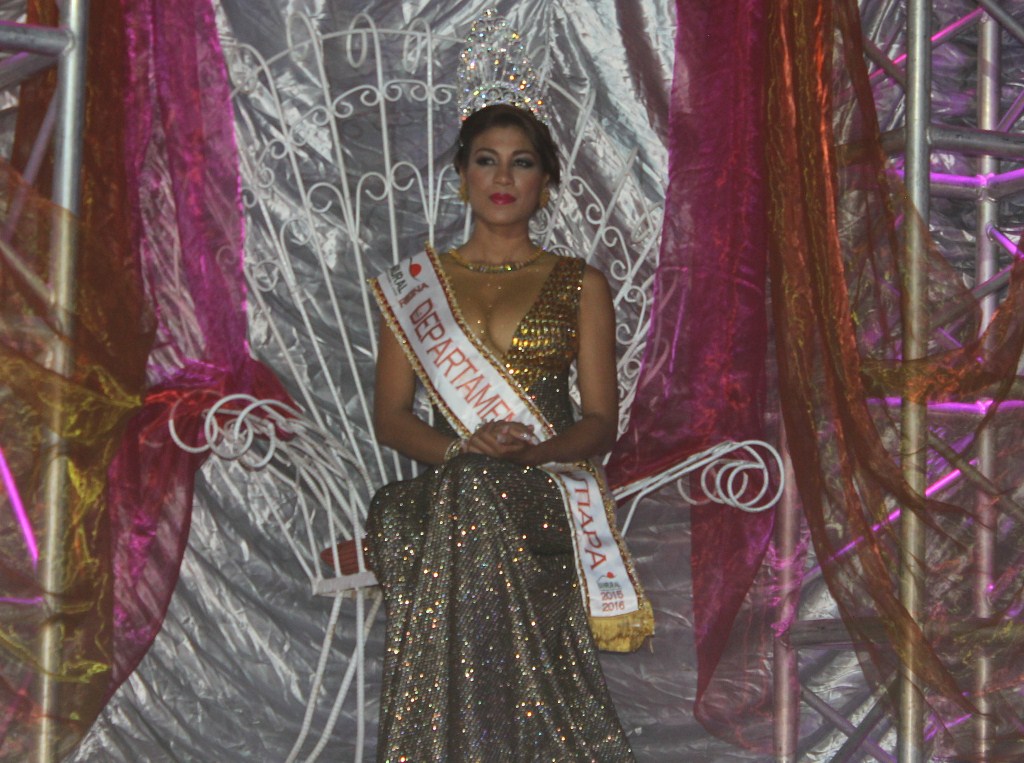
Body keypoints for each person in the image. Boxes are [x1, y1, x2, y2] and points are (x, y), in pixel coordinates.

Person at [366, 101, 651, 762]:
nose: (502, 176)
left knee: (479, 499)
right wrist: (463, 450)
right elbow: (391, 418)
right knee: (465, 494)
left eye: (521, 162)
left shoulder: (580, 284)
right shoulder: (417, 287)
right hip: (443, 492)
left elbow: (600, 422)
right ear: (462, 175)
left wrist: (535, 453)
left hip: (544, 492)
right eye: (485, 160)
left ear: (544, 183)